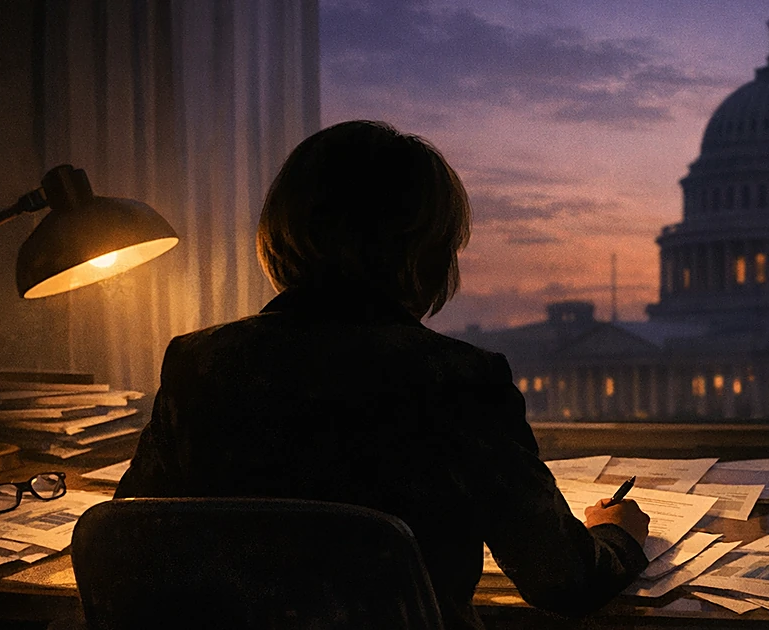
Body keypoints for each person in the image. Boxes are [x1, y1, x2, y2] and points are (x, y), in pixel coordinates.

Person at [116, 120, 650, 629]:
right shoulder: (460, 382)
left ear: (278, 239)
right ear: (430, 257)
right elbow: (565, 581)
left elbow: (129, 545)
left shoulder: (197, 365)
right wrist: (616, 536)